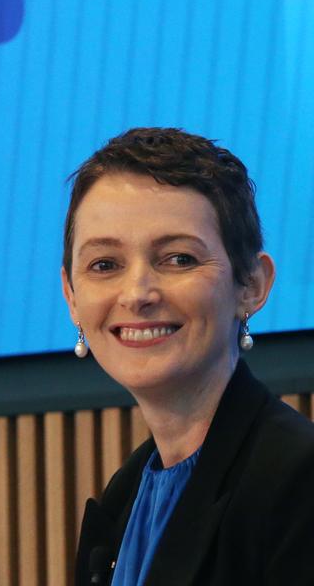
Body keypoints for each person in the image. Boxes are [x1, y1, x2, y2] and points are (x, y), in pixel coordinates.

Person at [62, 128, 314, 585]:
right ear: (71, 296)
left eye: (178, 259)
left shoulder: (300, 482)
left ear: (252, 285)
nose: (137, 294)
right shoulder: (122, 500)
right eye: (105, 265)